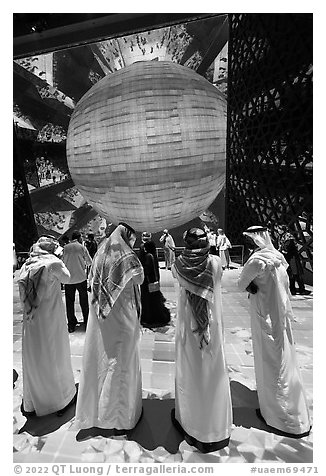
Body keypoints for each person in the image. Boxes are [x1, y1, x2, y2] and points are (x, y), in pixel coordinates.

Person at [238, 226, 311, 437]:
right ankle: (294, 411)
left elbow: (240, 283)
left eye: (250, 240)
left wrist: (251, 286)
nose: (249, 244)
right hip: (280, 317)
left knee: (270, 362)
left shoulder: (256, 261)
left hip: (265, 317)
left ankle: (279, 416)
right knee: (284, 359)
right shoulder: (277, 257)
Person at [75, 223, 144, 432]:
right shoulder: (128, 257)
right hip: (123, 315)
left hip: (100, 316)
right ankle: (119, 419)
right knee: (121, 362)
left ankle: (97, 413)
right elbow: (139, 278)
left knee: (103, 359)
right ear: (126, 236)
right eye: (131, 237)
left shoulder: (99, 254)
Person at [171, 228, 232, 453]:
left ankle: (191, 424)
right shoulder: (215, 262)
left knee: (191, 371)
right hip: (210, 326)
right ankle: (213, 428)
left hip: (189, 327)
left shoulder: (178, 265)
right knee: (212, 371)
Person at [17, 236, 76, 417]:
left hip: (31, 319)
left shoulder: (27, 264)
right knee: (54, 355)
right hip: (51, 319)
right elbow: (68, 278)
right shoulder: (53, 263)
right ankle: (60, 400)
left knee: (35, 358)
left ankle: (33, 402)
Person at [139, 232, 170, 328]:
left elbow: (148, 270)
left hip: (148, 282)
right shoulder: (152, 255)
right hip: (152, 282)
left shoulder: (148, 256)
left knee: (148, 300)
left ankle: (149, 316)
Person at [63, 230, 92, 332]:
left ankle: (71, 324)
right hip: (81, 278)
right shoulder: (81, 247)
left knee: (69, 302)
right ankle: (87, 320)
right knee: (84, 301)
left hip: (69, 279)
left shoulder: (65, 248)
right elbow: (89, 262)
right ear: (79, 237)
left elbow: (61, 262)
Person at [278, 225, 310, 295]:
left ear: (283, 229)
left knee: (295, 273)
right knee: (291, 274)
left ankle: (301, 289)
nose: (278, 230)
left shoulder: (288, 237)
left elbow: (287, 248)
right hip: (288, 258)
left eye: (279, 229)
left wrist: (281, 251)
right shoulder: (282, 236)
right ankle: (293, 289)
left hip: (292, 258)